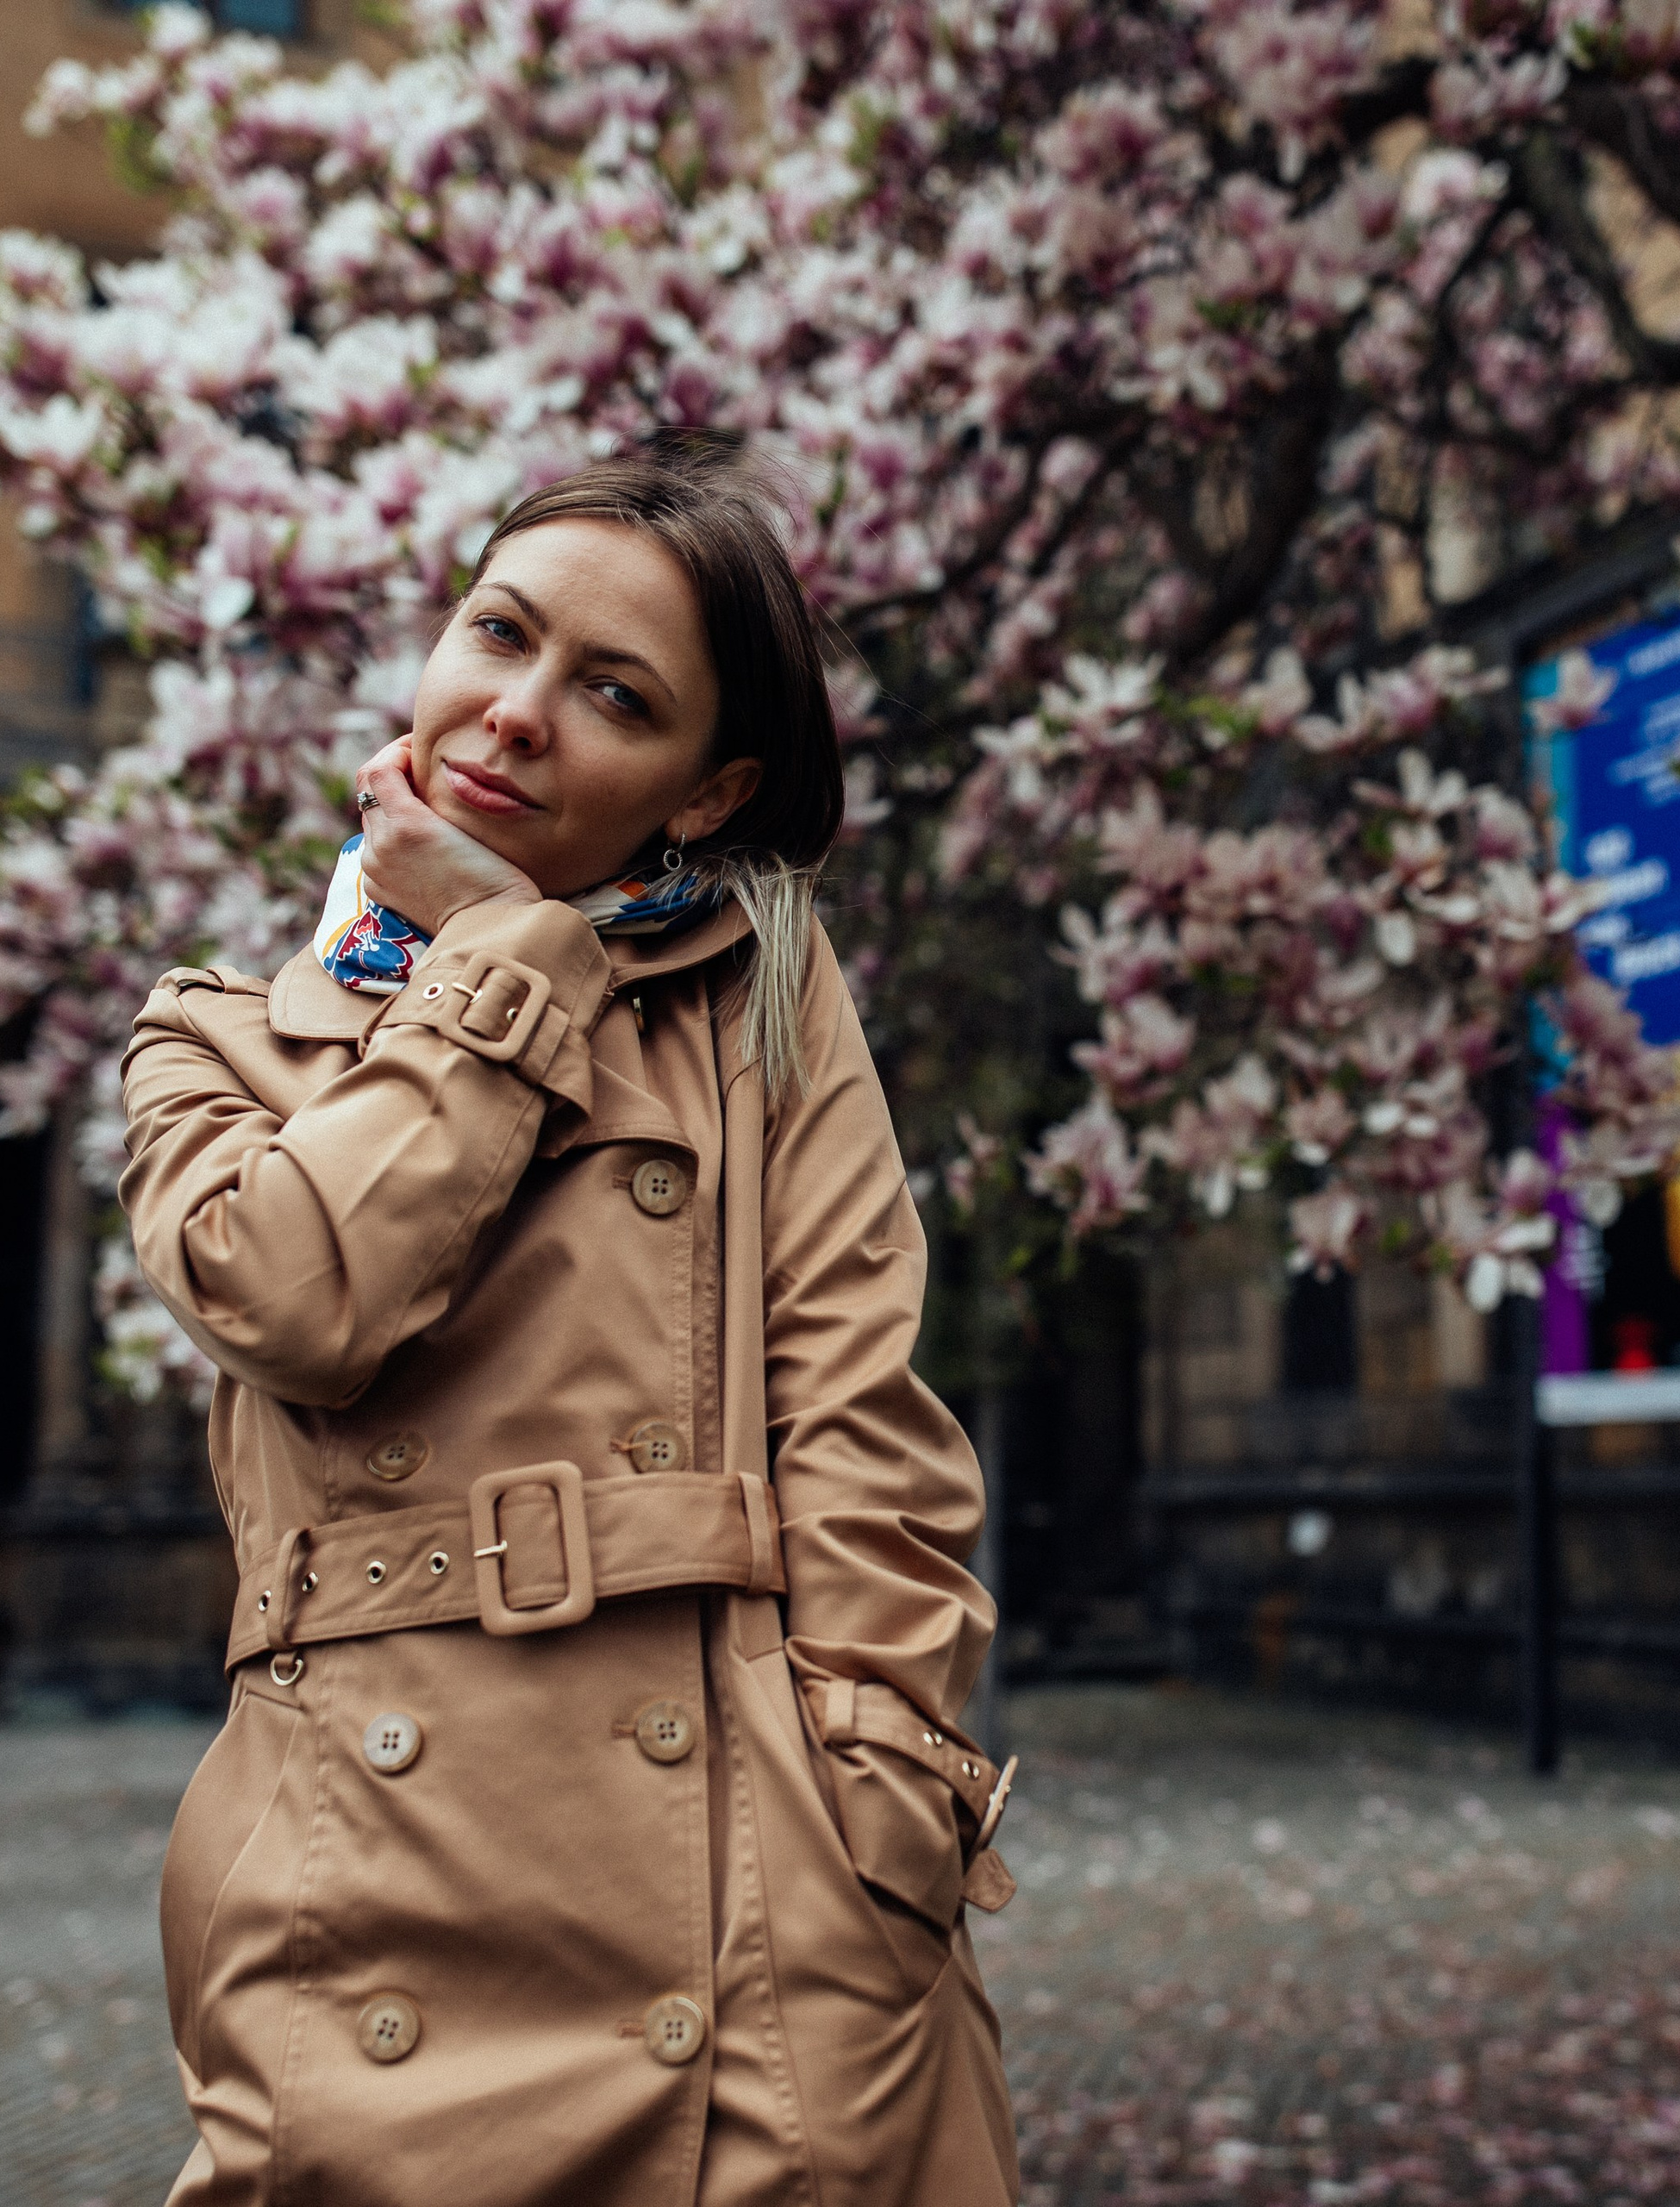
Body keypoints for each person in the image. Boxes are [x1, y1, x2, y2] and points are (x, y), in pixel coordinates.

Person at [118, 430, 1021, 2207]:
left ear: (704, 785)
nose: (518, 709)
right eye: (497, 633)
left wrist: (879, 1811)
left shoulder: (756, 990)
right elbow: (303, 1300)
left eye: (612, 691)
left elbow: (857, 1409)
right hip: (357, 1879)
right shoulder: (216, 1032)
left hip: (757, 1908)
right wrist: (502, 955)